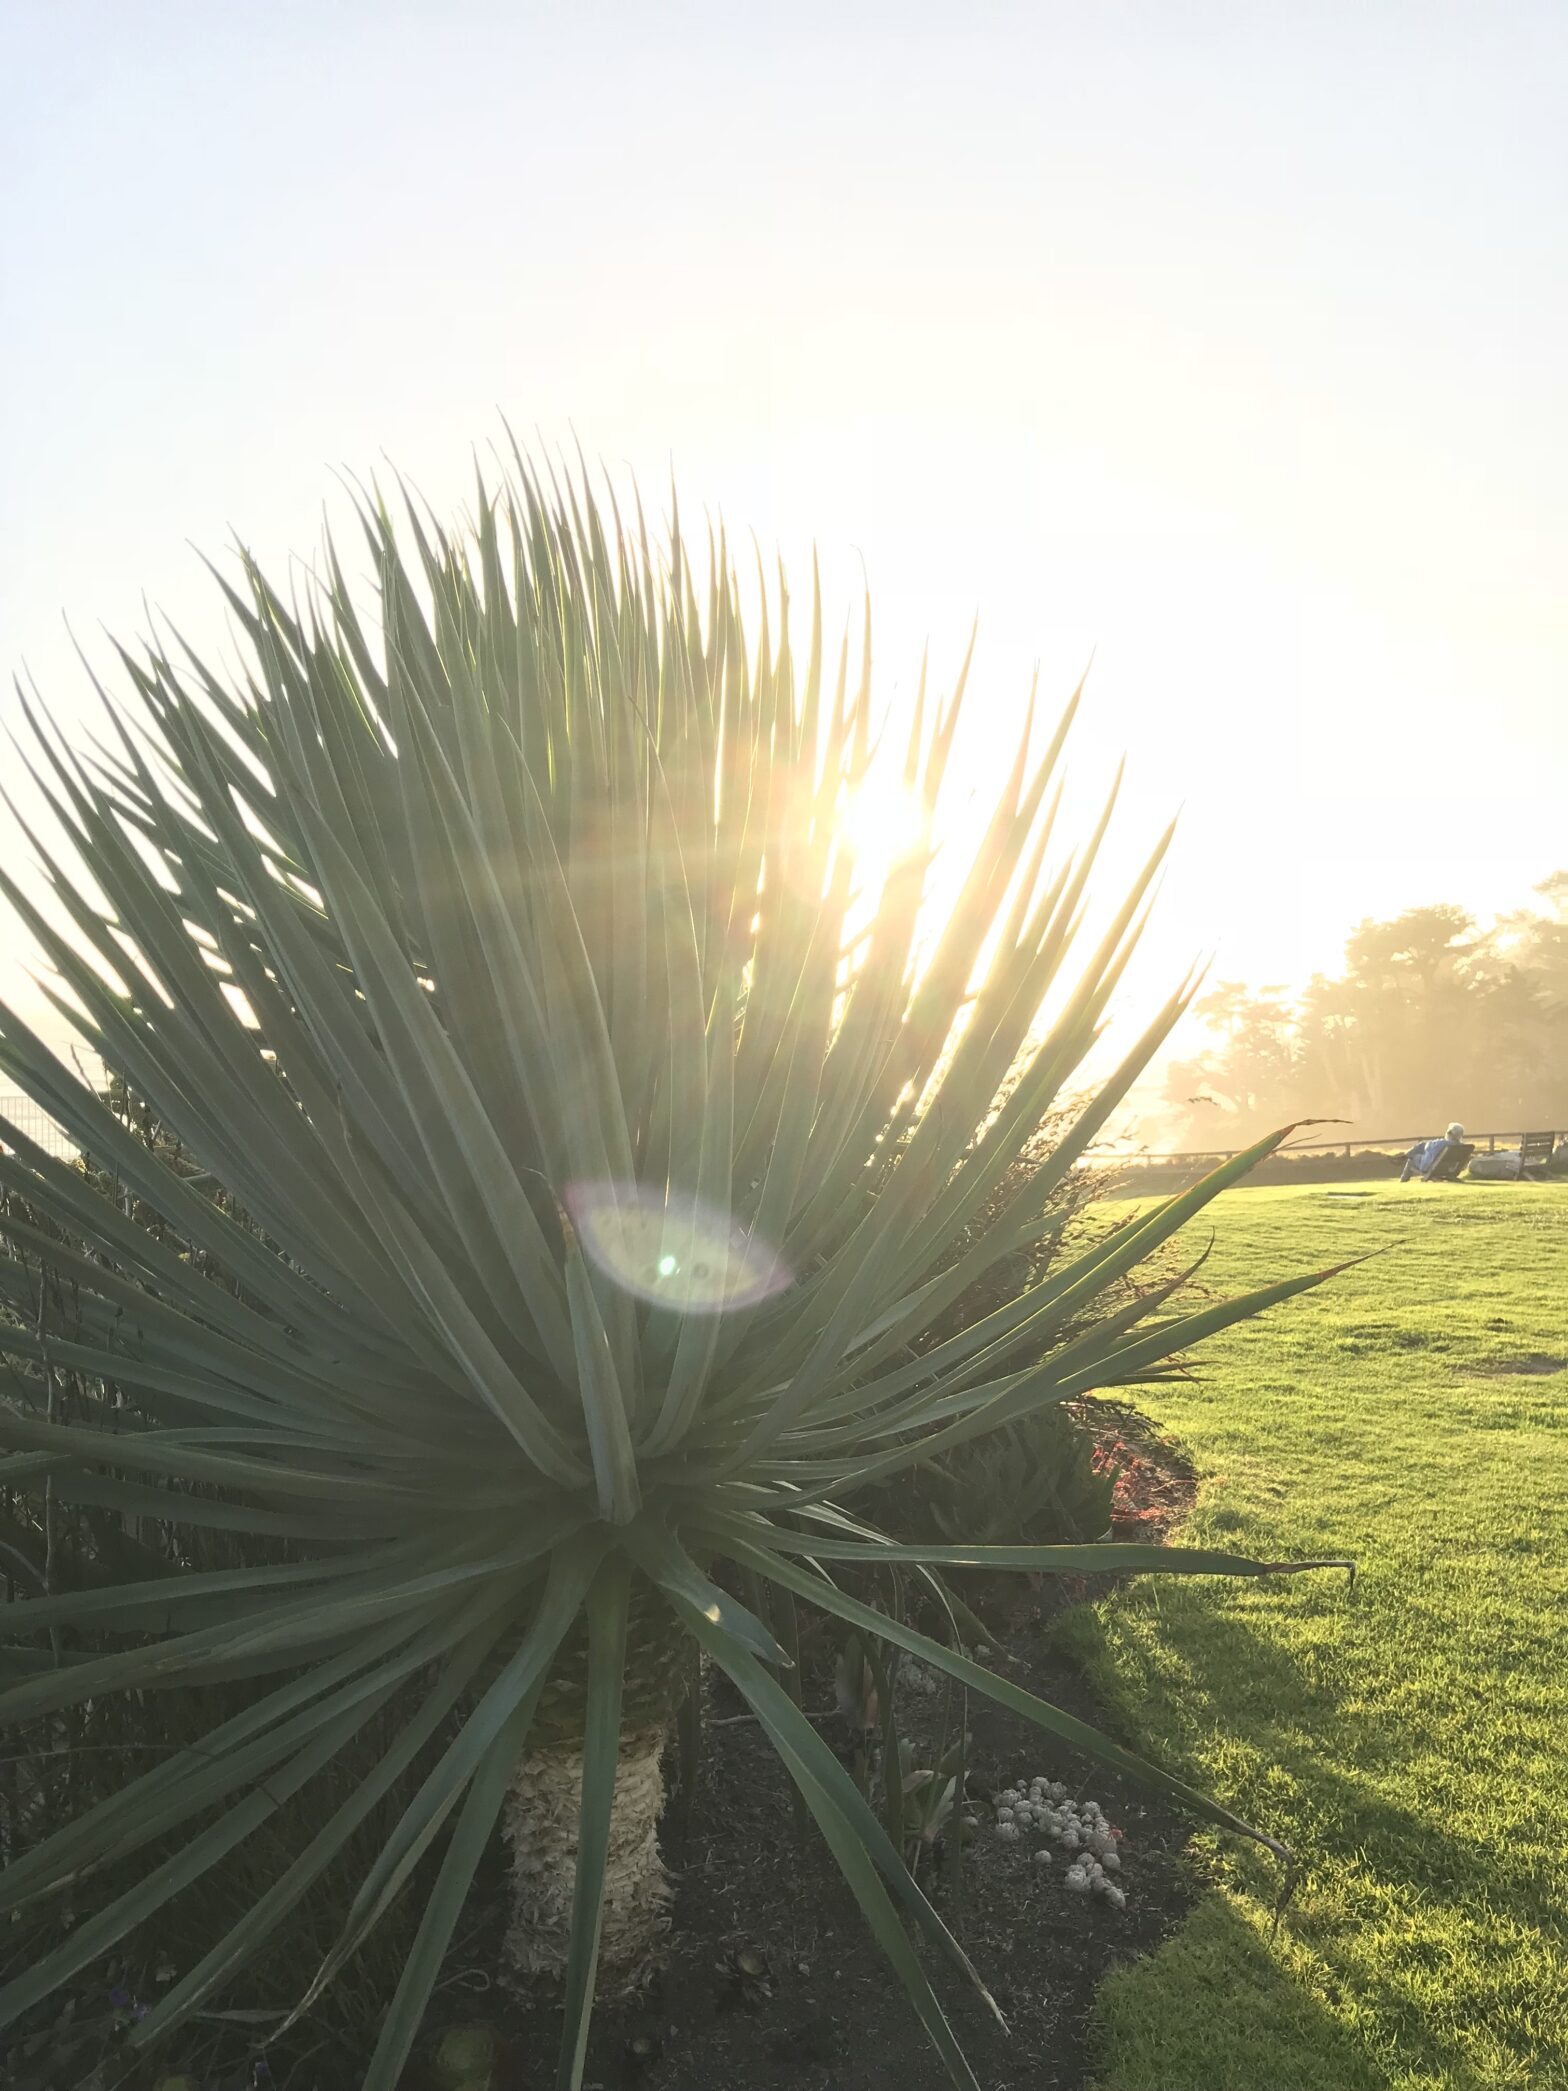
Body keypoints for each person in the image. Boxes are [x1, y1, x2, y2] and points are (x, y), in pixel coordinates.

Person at [1400, 1123, 1465, 1181]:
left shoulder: (1442, 1143)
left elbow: (1428, 1148)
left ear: (1449, 1133)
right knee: (1421, 1146)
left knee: (1412, 1158)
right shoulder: (1462, 1146)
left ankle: (1403, 1178)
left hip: (1430, 1167)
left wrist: (1429, 1144)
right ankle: (1404, 1156)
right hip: (1448, 1169)